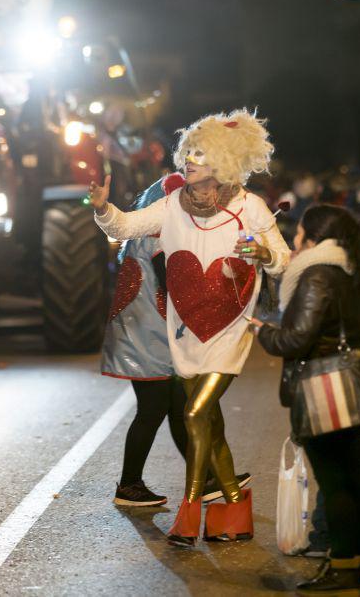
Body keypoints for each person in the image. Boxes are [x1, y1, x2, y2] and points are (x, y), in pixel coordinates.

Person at [89, 109, 290, 546]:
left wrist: (262, 255)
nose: (190, 160)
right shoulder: (172, 206)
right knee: (210, 421)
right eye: (190, 153)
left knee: (194, 412)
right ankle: (234, 510)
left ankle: (191, 508)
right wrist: (103, 208)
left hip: (228, 332)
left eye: (201, 154)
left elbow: (284, 261)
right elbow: (125, 227)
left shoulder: (249, 207)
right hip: (186, 335)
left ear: (222, 162)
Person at [100, 173, 251, 506]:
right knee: (157, 408)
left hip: (146, 334)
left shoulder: (148, 229)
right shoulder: (159, 234)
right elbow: (177, 286)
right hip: (147, 338)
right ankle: (129, 485)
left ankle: (207, 478)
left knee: (177, 406)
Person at [253, 205, 360, 592]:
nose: (295, 243)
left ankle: (341, 566)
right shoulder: (348, 271)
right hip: (347, 381)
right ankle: (358, 560)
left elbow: (296, 338)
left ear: (316, 239)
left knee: (335, 481)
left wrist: (262, 333)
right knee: (355, 478)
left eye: (300, 235)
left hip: (323, 386)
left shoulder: (316, 275)